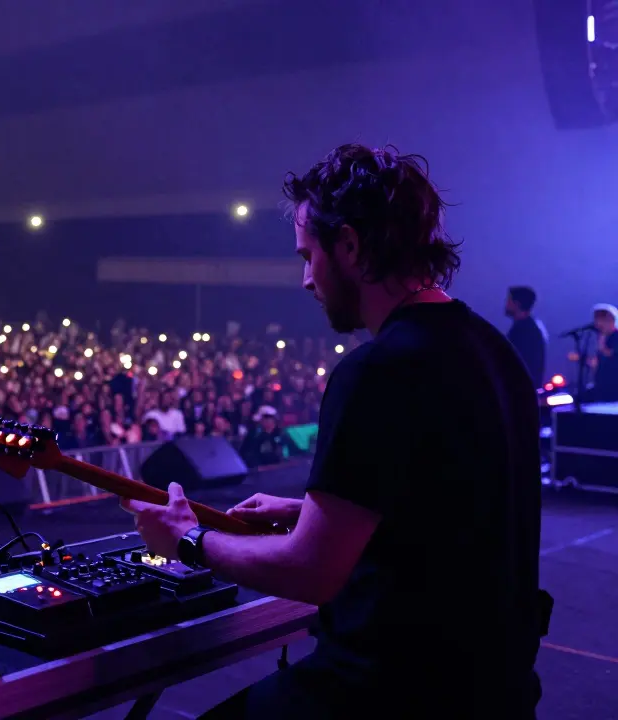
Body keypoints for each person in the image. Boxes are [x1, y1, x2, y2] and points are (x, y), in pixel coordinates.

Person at [123, 144, 545, 719]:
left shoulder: (377, 371)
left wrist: (189, 540)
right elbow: (444, 513)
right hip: (496, 692)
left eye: (308, 255)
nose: (304, 279)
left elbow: (310, 571)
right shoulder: (496, 353)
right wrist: (309, 510)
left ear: (348, 246)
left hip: (386, 695)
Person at [505, 286, 548, 386]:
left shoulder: (525, 330)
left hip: (520, 387)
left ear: (517, 304)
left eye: (509, 300)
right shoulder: (529, 327)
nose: (506, 304)